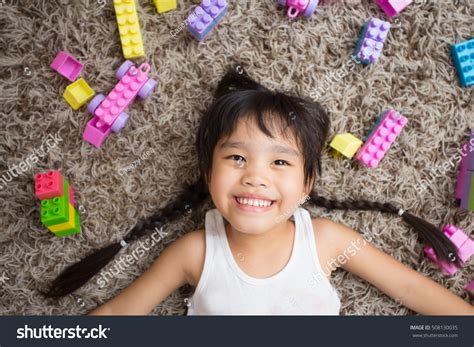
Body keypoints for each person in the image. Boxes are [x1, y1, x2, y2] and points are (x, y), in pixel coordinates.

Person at [44, 65, 474, 315]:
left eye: (280, 162)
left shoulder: (325, 241)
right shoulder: (195, 252)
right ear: (208, 172)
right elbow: (120, 314)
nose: (255, 176)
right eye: (236, 158)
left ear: (306, 185)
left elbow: (414, 290)